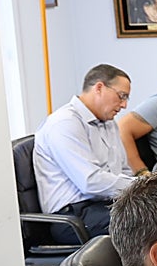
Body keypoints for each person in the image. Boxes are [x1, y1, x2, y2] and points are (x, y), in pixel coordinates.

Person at [32, 63, 134, 242]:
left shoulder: (109, 123)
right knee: (153, 221)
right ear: (99, 88)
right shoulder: (64, 123)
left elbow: (123, 171)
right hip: (73, 217)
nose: (124, 105)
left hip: (103, 206)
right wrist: (142, 186)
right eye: (121, 96)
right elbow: (90, 182)